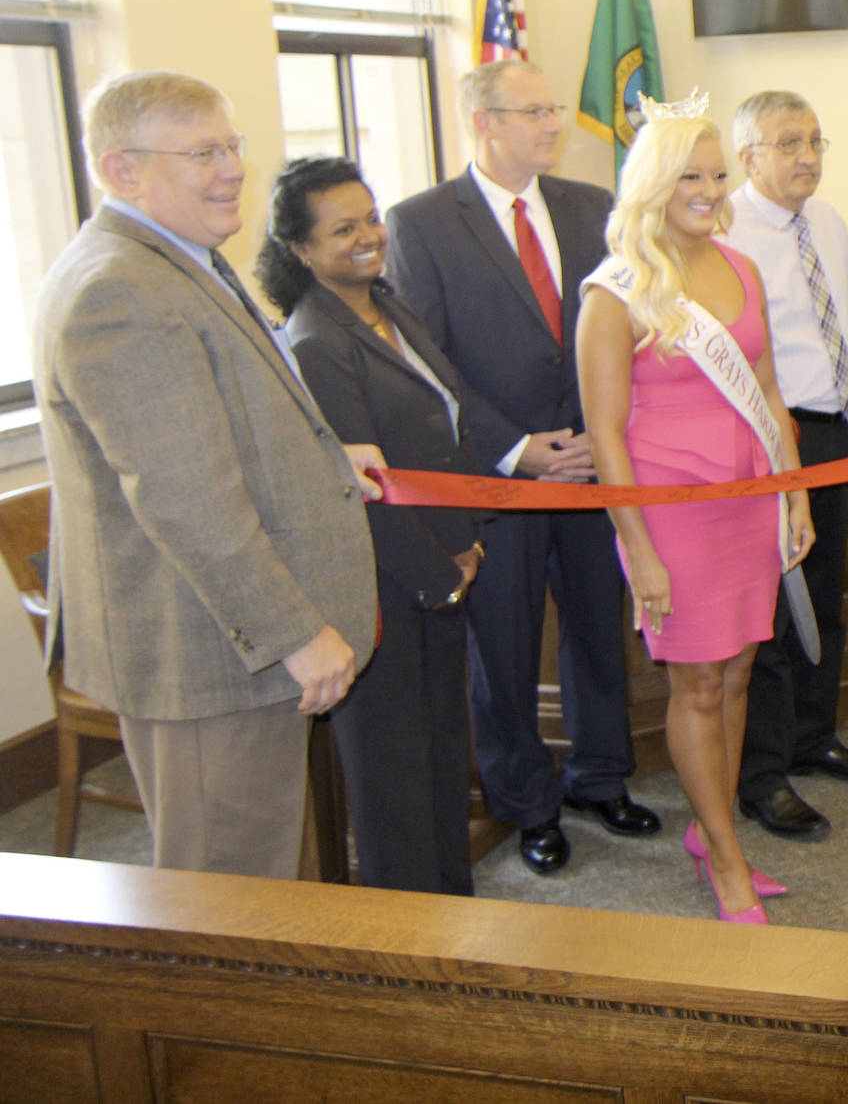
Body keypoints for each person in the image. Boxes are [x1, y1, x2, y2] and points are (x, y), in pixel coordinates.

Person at [34, 71, 378, 878]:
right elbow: (187, 499)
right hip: (211, 653)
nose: (231, 169)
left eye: (232, 145)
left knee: (267, 879)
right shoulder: (120, 289)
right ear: (122, 171)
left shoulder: (173, 257)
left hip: (228, 643)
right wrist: (297, 631)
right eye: (202, 153)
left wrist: (326, 460)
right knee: (226, 897)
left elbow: (213, 427)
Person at [385, 61, 659, 876]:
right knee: (502, 650)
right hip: (494, 477)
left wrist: (589, 436)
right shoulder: (422, 222)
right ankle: (527, 802)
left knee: (595, 631)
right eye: (533, 111)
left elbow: (620, 323)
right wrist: (517, 447)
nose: (553, 124)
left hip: (590, 462)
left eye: (553, 110)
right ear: (484, 122)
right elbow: (424, 360)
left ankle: (600, 775)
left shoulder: (590, 207)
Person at [579, 102, 814, 923]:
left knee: (741, 668)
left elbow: (772, 390)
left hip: (748, 493)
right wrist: (636, 549)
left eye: (718, 175)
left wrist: (795, 490)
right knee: (699, 681)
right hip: (668, 510)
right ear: (654, 183)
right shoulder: (617, 292)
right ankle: (724, 852)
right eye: (692, 176)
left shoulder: (739, 268)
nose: (710, 191)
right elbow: (605, 434)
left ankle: (712, 827)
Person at [257, 157, 488, 896]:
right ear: (298, 249)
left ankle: (454, 903)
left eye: (370, 217)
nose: (368, 237)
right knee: (393, 774)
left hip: (442, 564)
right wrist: (439, 574)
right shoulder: (315, 340)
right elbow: (360, 493)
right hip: (382, 584)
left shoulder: (386, 302)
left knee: (443, 749)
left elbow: (444, 420)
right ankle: (409, 933)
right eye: (343, 228)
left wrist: (463, 543)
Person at [720, 89, 848, 844]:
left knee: (822, 595)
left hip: (831, 432)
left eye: (816, 141)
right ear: (747, 156)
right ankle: (761, 773)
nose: (807, 156)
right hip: (762, 443)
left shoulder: (826, 218)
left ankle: (812, 737)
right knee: (770, 611)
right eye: (788, 143)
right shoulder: (723, 229)